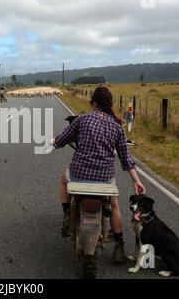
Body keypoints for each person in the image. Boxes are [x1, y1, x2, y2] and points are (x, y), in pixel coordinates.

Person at [52, 86, 145, 264]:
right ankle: (119, 246)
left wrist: (54, 142)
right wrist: (137, 181)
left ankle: (66, 215)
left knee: (63, 181)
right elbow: (127, 159)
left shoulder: (83, 119)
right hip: (104, 178)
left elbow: (61, 139)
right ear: (108, 104)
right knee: (114, 205)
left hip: (79, 174)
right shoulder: (117, 127)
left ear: (94, 102)